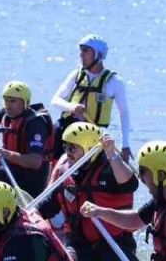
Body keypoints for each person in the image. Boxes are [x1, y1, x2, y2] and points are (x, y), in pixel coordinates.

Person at [37, 123, 141, 261]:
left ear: (89, 147)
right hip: (79, 247)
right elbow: (46, 206)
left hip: (114, 245)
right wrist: (26, 217)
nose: (67, 152)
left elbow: (130, 183)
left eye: (73, 148)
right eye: (65, 147)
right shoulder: (66, 173)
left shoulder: (111, 169)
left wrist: (112, 153)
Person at [50, 33, 133, 163]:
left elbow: (124, 113)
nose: (81, 55)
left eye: (86, 51)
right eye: (81, 50)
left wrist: (125, 145)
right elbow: (55, 100)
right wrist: (72, 107)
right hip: (68, 129)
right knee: (55, 130)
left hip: (93, 133)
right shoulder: (76, 75)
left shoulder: (114, 81)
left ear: (98, 55)